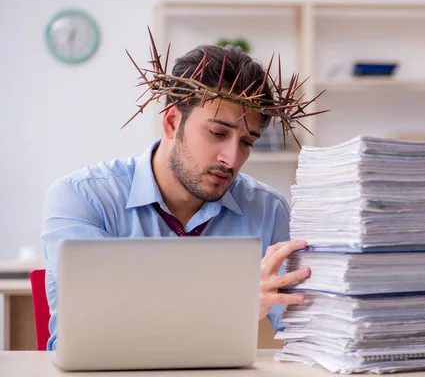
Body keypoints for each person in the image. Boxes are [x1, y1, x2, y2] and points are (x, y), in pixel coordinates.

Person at [41, 43, 312, 351]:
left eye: (247, 141)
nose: (231, 158)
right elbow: (84, 334)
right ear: (171, 122)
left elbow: (306, 332)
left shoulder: (269, 211)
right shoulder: (84, 197)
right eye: (217, 133)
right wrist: (233, 307)